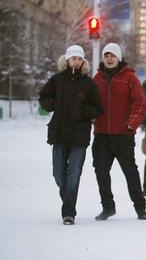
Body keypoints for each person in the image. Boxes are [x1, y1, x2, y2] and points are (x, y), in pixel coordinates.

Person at [39, 45, 102, 225]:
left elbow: (97, 108)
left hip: (79, 136)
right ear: (67, 60)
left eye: (79, 58)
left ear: (83, 61)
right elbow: (43, 97)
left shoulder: (88, 84)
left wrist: (83, 110)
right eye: (73, 58)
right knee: (58, 174)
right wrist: (55, 105)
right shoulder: (57, 80)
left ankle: (68, 213)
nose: (76, 61)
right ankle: (68, 200)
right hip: (59, 133)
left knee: (74, 174)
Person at [92, 43, 146, 221]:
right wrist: (91, 117)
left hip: (123, 135)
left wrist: (131, 125)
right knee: (101, 171)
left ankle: (140, 208)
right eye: (106, 56)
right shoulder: (97, 79)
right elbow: (89, 103)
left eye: (112, 56)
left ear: (119, 58)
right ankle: (108, 207)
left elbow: (140, 104)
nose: (109, 59)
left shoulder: (130, 78)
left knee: (130, 172)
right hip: (101, 135)